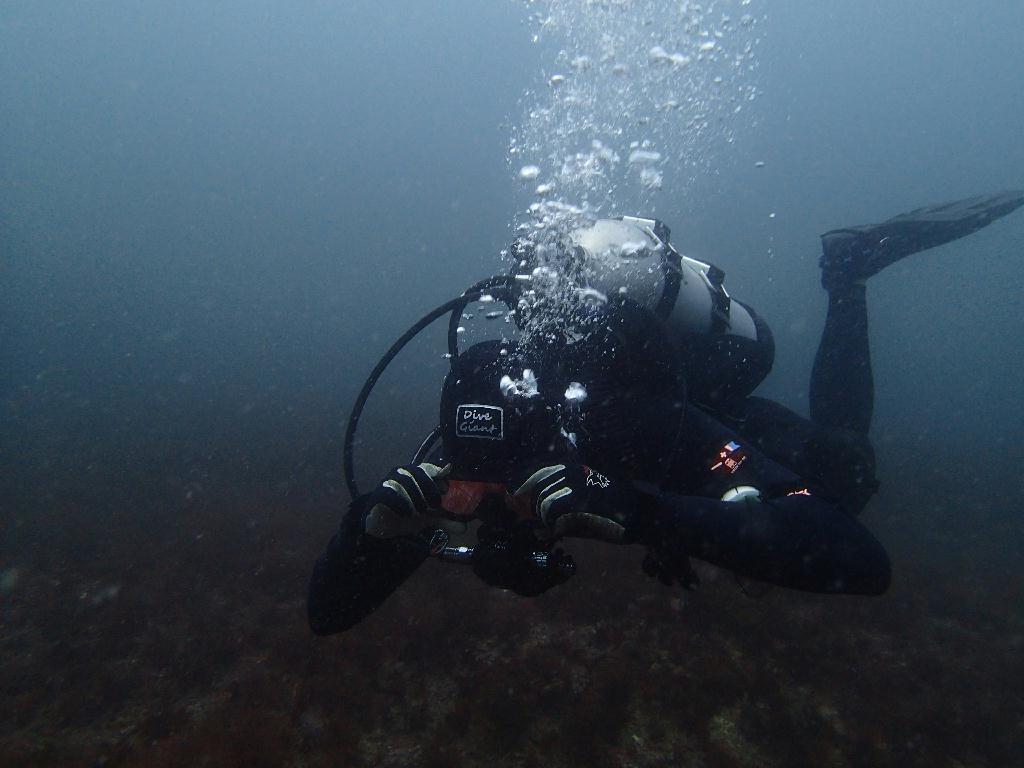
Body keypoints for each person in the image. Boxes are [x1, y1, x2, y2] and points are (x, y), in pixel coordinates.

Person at [308, 190, 1023, 636]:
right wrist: (368, 530)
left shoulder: (645, 425)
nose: (478, 490)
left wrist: (647, 514)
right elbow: (328, 615)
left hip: (697, 402)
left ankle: (849, 273)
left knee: (846, 472)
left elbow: (861, 561)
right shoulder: (493, 409)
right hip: (624, 414)